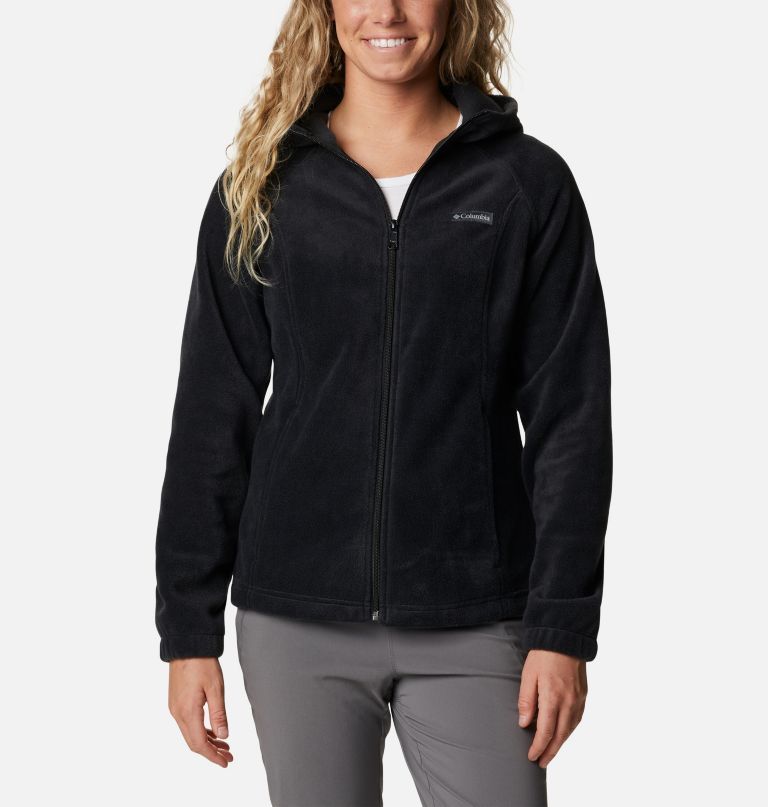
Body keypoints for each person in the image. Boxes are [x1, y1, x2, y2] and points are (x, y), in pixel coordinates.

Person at [154, 0, 612, 804]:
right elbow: (210, 413)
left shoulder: (525, 183)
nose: (388, 11)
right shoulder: (263, 185)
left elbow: (571, 420)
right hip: (297, 619)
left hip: (478, 615)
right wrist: (188, 630)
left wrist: (562, 626)